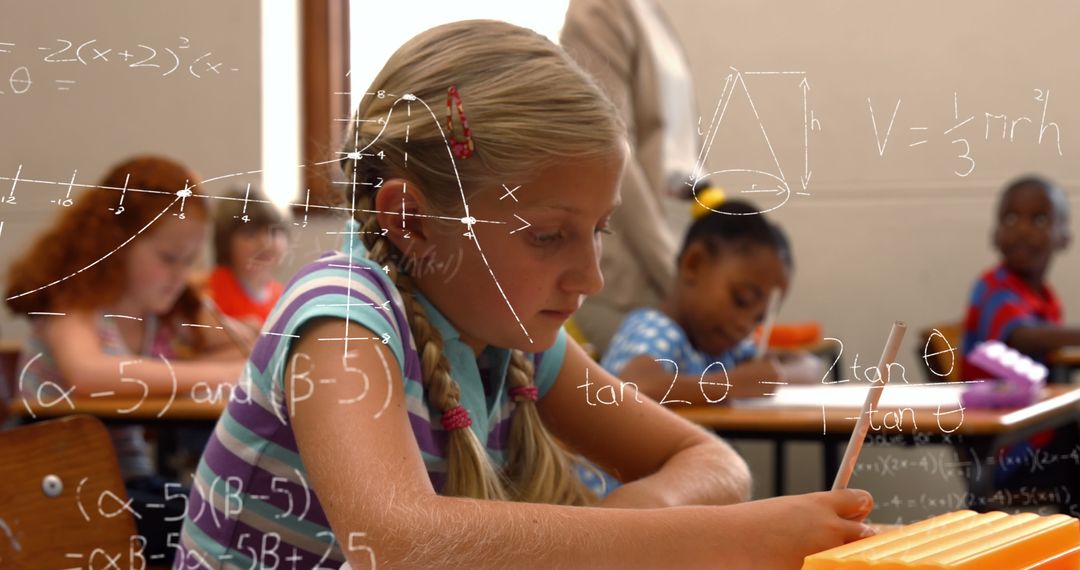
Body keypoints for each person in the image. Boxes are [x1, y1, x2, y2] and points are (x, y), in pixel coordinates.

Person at [174, 21, 874, 569]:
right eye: (548, 235)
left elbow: (711, 463)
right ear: (412, 220)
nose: (590, 277)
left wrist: (634, 523)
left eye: (598, 231)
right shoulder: (345, 321)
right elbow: (401, 543)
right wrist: (728, 541)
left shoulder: (512, 337)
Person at [4, 155, 247, 559]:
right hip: (51, 492)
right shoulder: (72, 299)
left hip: (124, 482)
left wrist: (223, 327)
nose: (180, 274)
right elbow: (89, 373)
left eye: (189, 261)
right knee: (213, 524)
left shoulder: (154, 313)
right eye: (169, 259)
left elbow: (244, 346)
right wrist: (221, 374)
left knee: (229, 513)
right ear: (114, 245)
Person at [561, 0, 708, 352]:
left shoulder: (650, 10)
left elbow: (676, 144)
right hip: (630, 268)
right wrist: (673, 271)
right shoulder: (597, 11)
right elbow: (610, 144)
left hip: (672, 248)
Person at [601, 198, 823, 404]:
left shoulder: (720, 348)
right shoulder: (653, 329)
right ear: (694, 265)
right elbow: (635, 387)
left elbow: (811, 366)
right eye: (741, 300)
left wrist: (774, 376)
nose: (745, 324)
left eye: (759, 318)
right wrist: (733, 384)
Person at [961, 175, 1079, 514]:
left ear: (1064, 238)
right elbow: (1023, 335)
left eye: (1039, 219)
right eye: (1011, 218)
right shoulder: (992, 289)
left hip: (1040, 434)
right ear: (994, 234)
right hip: (1009, 451)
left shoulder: (1044, 299)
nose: (1023, 230)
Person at [207, 185, 289, 329]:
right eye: (250, 233)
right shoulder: (211, 291)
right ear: (225, 242)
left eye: (274, 232)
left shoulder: (282, 297)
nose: (265, 243)